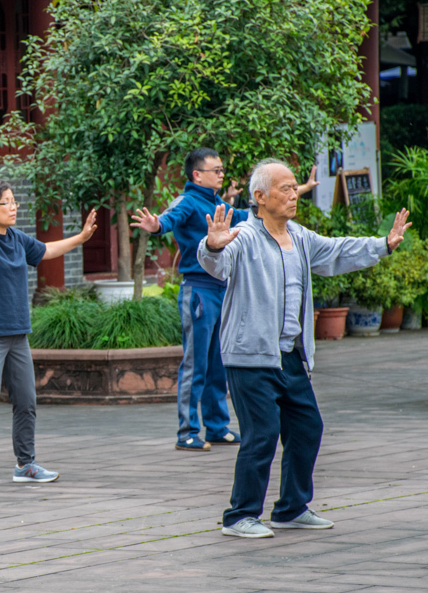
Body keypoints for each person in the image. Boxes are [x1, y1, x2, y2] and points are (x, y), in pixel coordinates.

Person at [197, 158, 411, 538]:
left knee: (307, 427)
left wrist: (383, 245)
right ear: (260, 197)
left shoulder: (298, 236)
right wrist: (212, 245)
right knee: (261, 434)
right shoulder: (243, 236)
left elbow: (336, 251)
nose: (293, 194)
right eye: (285, 188)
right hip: (249, 357)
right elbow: (217, 263)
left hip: (290, 356)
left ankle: (291, 508)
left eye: (294, 187)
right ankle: (240, 516)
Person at [131, 149, 317, 453]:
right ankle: (188, 431)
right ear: (197, 175)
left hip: (223, 290)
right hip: (200, 290)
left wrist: (290, 193)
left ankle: (216, 426)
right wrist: (156, 226)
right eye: (215, 170)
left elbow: (252, 215)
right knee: (196, 362)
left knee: (219, 362)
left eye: (221, 169)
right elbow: (168, 219)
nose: (221, 174)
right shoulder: (188, 200)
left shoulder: (218, 203)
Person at [0, 181, 97, 491]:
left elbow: (47, 251)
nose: (14, 206)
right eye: (7, 202)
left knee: (27, 401)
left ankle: (25, 464)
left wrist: (81, 237)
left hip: (18, 335)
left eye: (14, 201)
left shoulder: (17, 239)